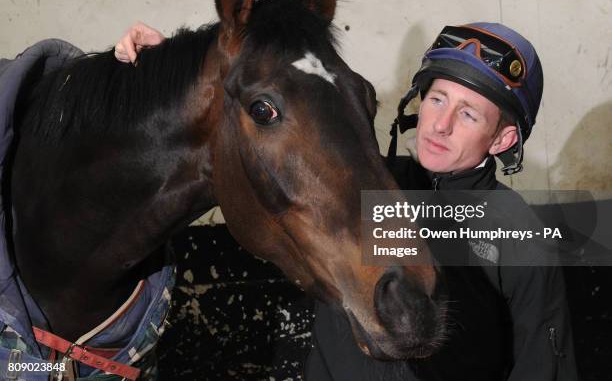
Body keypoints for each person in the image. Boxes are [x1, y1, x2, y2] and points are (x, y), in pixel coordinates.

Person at [113, 22, 578, 380]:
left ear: (503, 139)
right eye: (437, 100)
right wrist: (168, 70)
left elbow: (544, 359)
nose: (439, 124)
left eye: (469, 113)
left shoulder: (519, 230)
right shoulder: (360, 183)